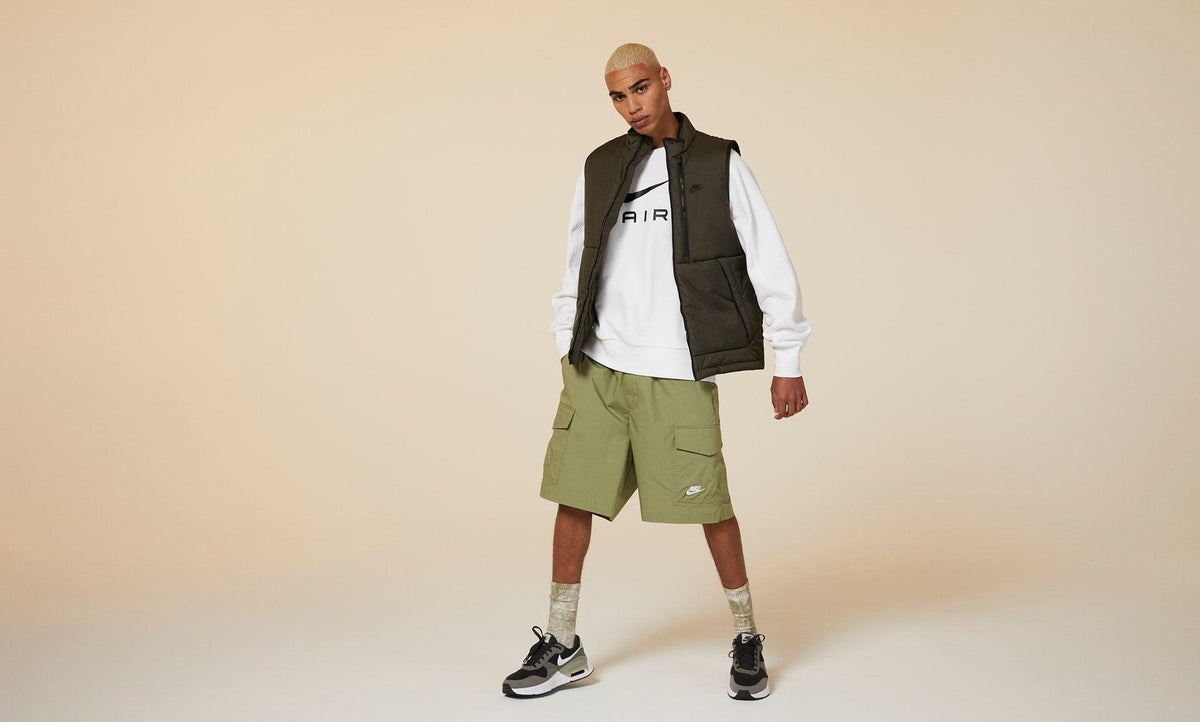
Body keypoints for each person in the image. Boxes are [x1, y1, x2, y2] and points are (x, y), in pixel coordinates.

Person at [502, 42, 812, 702]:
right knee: (573, 497)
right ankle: (562, 642)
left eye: (640, 88)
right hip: (599, 364)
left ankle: (747, 635)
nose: (631, 105)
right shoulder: (600, 165)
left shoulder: (717, 161)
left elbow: (768, 258)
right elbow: (578, 257)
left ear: (665, 80)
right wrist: (567, 345)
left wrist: (787, 358)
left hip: (676, 364)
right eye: (618, 96)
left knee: (711, 505)